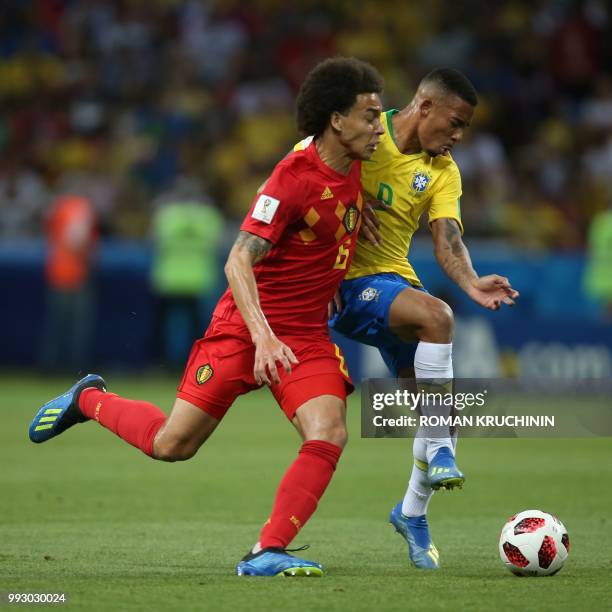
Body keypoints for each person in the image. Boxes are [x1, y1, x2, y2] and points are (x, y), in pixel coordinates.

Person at [29, 57, 385, 578]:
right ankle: (88, 399)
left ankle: (267, 551)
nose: (381, 128)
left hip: (306, 335)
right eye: (371, 117)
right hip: (246, 329)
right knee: (173, 445)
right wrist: (262, 337)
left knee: (328, 431)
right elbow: (237, 259)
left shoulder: (357, 158)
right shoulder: (291, 179)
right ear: (336, 121)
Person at [329, 68, 519, 569]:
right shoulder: (365, 133)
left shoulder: (444, 170)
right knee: (438, 318)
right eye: (455, 123)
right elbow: (308, 172)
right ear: (426, 106)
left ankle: (411, 512)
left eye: (466, 129)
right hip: (345, 285)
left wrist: (472, 281)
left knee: (442, 412)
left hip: (394, 285)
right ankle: (438, 457)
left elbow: (448, 239)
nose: (458, 137)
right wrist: (343, 205)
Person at [40, 194, 98, 372]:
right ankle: (75, 368)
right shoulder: (82, 210)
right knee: (76, 327)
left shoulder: (59, 208)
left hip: (60, 274)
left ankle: (50, 367)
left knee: (59, 325)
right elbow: (83, 243)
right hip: (75, 275)